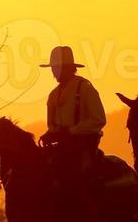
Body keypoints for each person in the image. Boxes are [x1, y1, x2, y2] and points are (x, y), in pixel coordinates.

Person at [39, 45, 106, 188]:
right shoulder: (53, 95)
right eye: (53, 68)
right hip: (60, 147)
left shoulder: (85, 89)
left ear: (67, 68)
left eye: (56, 68)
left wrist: (71, 131)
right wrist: (50, 133)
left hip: (84, 146)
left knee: (82, 181)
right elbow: (51, 125)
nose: (53, 72)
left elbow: (99, 120)